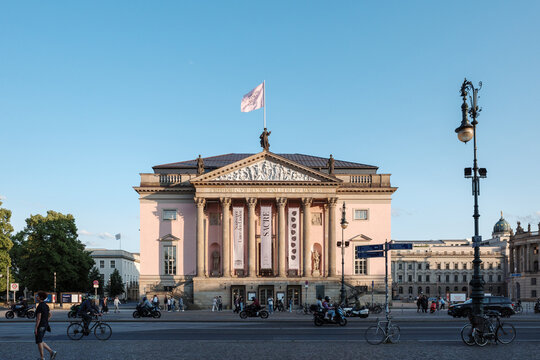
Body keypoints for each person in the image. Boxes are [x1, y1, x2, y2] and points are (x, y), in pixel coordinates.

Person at [35, 291, 57, 360]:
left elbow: (38, 318)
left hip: (41, 325)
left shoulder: (39, 306)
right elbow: (50, 314)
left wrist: (36, 328)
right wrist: (46, 320)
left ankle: (42, 358)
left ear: (40, 297)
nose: (36, 297)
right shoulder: (46, 305)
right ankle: (51, 352)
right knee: (40, 340)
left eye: (37, 296)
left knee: (39, 341)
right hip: (45, 325)